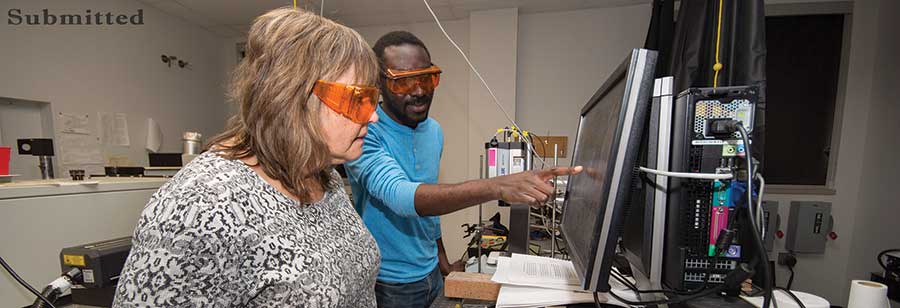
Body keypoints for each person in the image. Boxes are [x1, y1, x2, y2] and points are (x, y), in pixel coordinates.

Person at [113, 8, 382, 308]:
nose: (373, 116)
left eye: (372, 100)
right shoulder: (202, 205)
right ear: (290, 97)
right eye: (357, 100)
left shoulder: (322, 173)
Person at [345, 31, 582, 308]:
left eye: (427, 78)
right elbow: (402, 197)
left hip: (431, 271)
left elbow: (428, 203)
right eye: (403, 82)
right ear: (380, 83)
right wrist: (497, 185)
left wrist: (442, 260)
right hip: (390, 283)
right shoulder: (364, 132)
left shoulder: (433, 131)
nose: (419, 91)